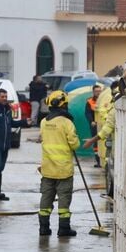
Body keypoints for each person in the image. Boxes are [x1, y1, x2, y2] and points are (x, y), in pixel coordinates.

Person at [38, 90, 80, 237]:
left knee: (46, 198)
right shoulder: (67, 123)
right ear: (63, 104)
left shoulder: (44, 122)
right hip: (63, 170)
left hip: (47, 169)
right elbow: (74, 144)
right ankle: (63, 229)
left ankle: (43, 228)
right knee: (64, 199)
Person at [85, 84, 103, 167]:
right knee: (95, 142)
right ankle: (98, 161)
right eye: (96, 91)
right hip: (94, 125)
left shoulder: (104, 100)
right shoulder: (90, 101)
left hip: (103, 125)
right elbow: (87, 113)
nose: (98, 93)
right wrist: (91, 121)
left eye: (99, 91)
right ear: (93, 92)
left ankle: (103, 160)